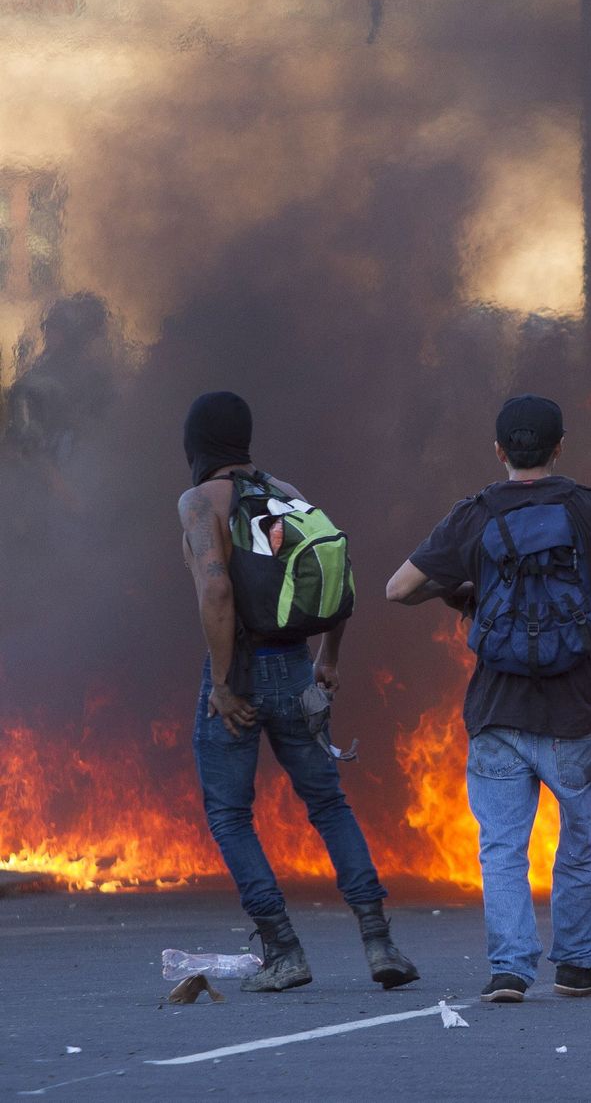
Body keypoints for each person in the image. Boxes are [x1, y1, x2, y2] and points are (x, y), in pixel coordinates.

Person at [386, 394, 591, 1002]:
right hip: (574, 709)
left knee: (501, 848)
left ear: (499, 451)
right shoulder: (587, 509)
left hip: (498, 711)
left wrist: (469, 588)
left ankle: (510, 971)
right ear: (560, 447)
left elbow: (398, 589)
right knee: (578, 840)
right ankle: (576, 963)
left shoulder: (473, 516)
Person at [179, 391, 418, 993]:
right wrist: (328, 658)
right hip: (295, 668)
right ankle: (379, 941)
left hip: (242, 669)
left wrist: (226, 681)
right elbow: (334, 567)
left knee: (231, 816)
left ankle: (284, 953)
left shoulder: (199, 501)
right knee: (329, 806)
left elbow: (216, 593)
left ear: (195, 444)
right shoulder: (282, 490)